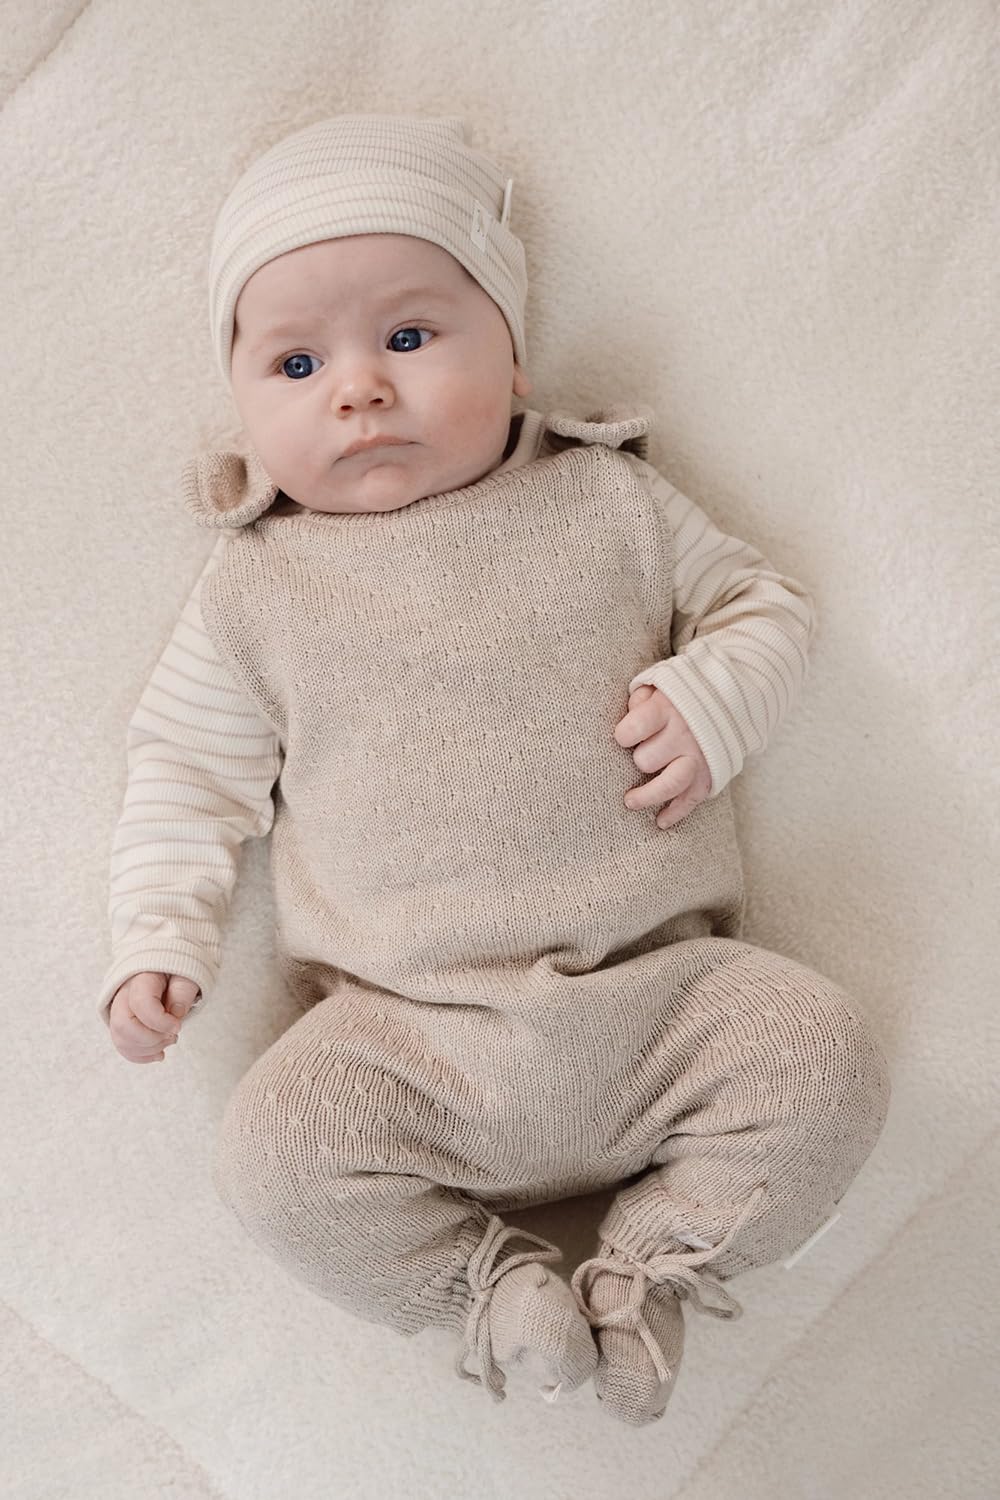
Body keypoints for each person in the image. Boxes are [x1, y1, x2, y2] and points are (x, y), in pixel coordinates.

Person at [96, 114, 891, 1426]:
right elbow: (183, 773)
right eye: (297, 363)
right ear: (242, 401)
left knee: (824, 1055)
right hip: (407, 1038)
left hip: (660, 1002)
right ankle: (491, 1289)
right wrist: (158, 937)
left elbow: (764, 607)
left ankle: (648, 1268)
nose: (358, 389)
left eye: (409, 337)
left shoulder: (609, 501)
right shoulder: (255, 589)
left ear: (513, 354)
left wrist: (713, 701)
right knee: (272, 1158)